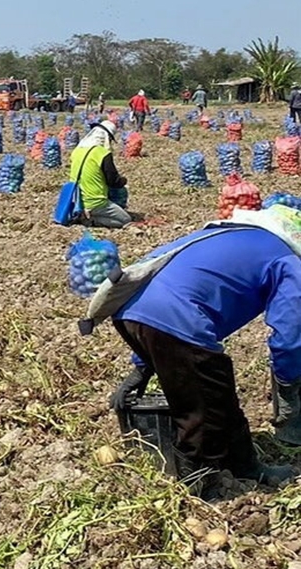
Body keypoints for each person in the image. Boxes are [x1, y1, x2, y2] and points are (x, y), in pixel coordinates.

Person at [102, 204, 301, 487]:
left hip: (128, 310)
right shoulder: (287, 258)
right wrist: (288, 382)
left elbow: (169, 286)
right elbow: (291, 333)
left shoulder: (230, 234)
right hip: (176, 317)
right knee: (204, 409)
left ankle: (246, 467)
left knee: (215, 388)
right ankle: (198, 483)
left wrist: (143, 364)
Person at [69, 120, 133, 229]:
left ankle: (84, 212)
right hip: (95, 200)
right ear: (106, 138)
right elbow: (113, 181)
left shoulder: (77, 151)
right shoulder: (102, 154)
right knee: (126, 220)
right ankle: (92, 219)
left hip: (76, 198)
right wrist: (124, 180)